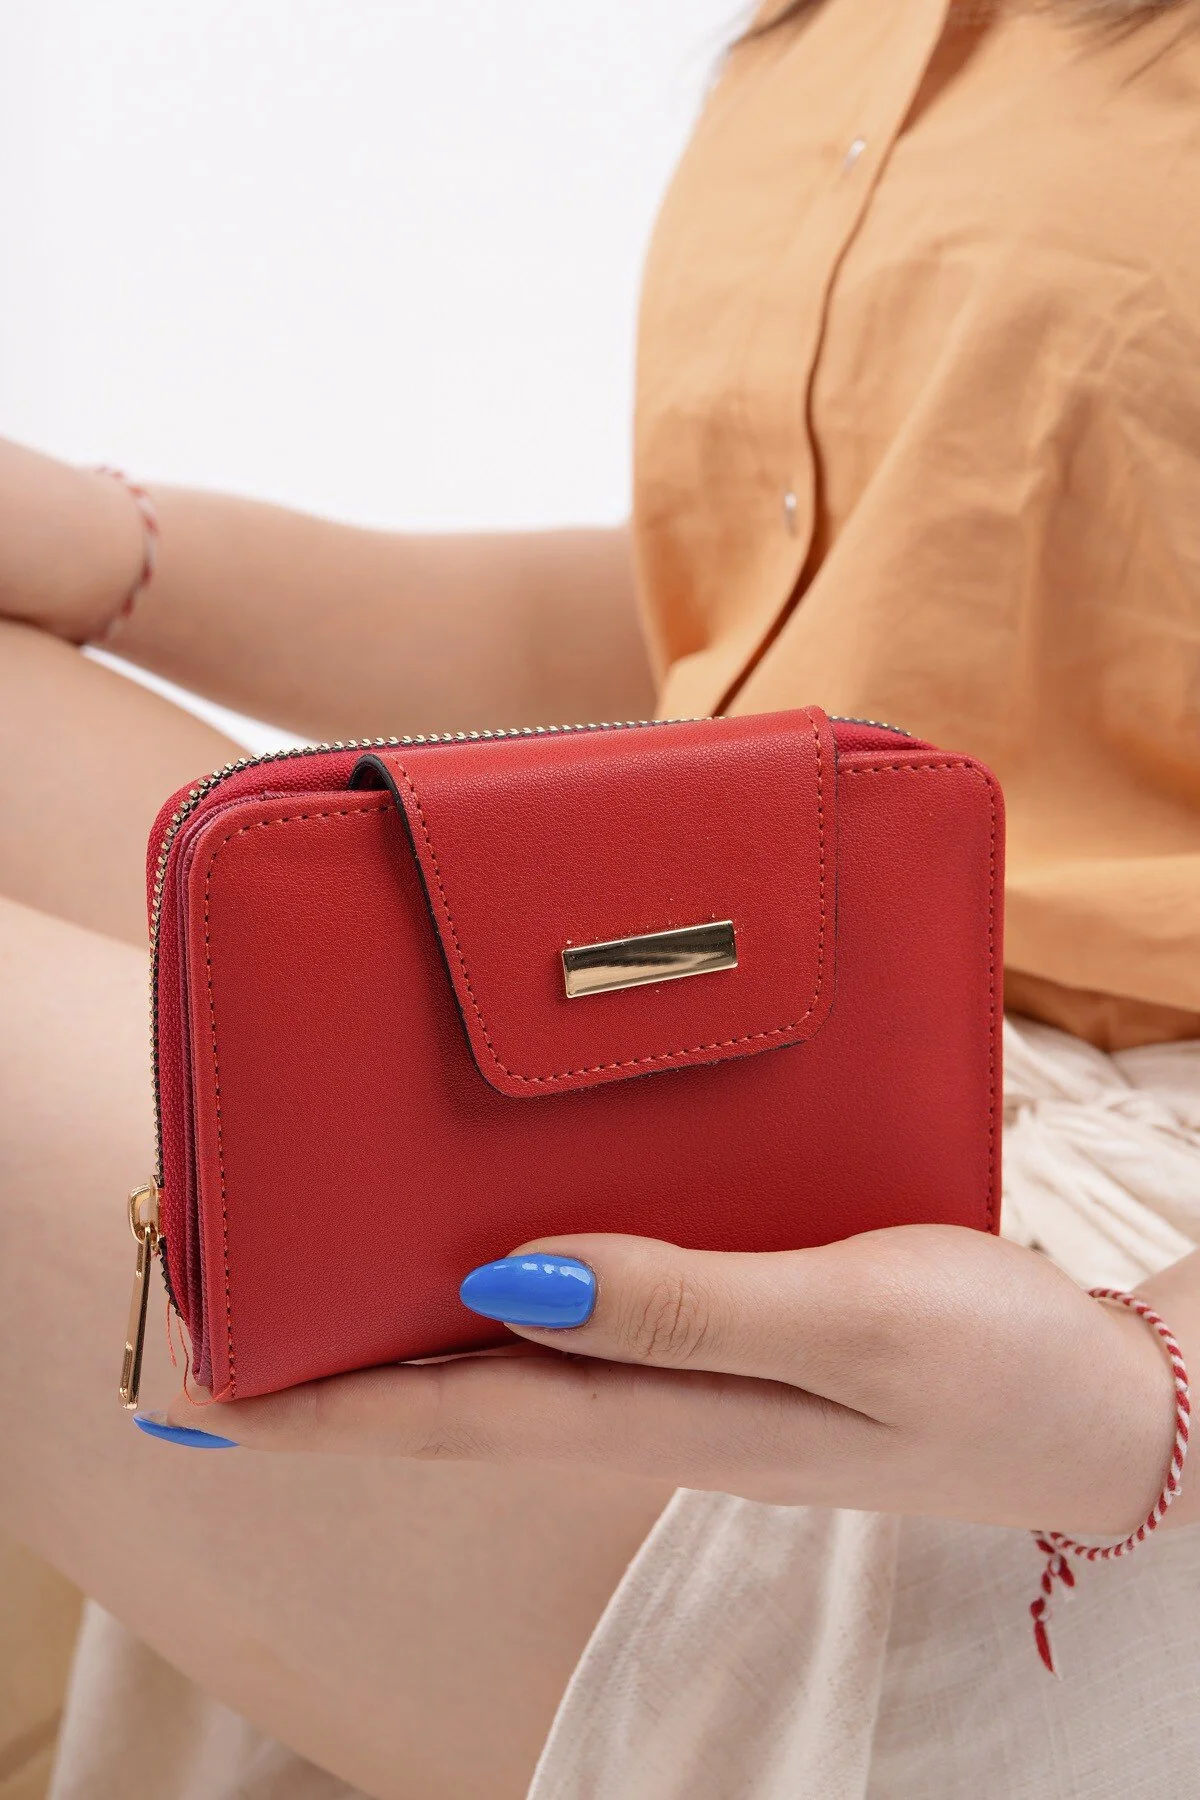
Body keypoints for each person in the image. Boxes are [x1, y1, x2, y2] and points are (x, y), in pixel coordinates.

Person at [3, 1, 1199, 1796]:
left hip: (1093, 1286)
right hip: (780, 1034)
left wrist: (1141, 1405)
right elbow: (731, 633)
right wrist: (120, 552)